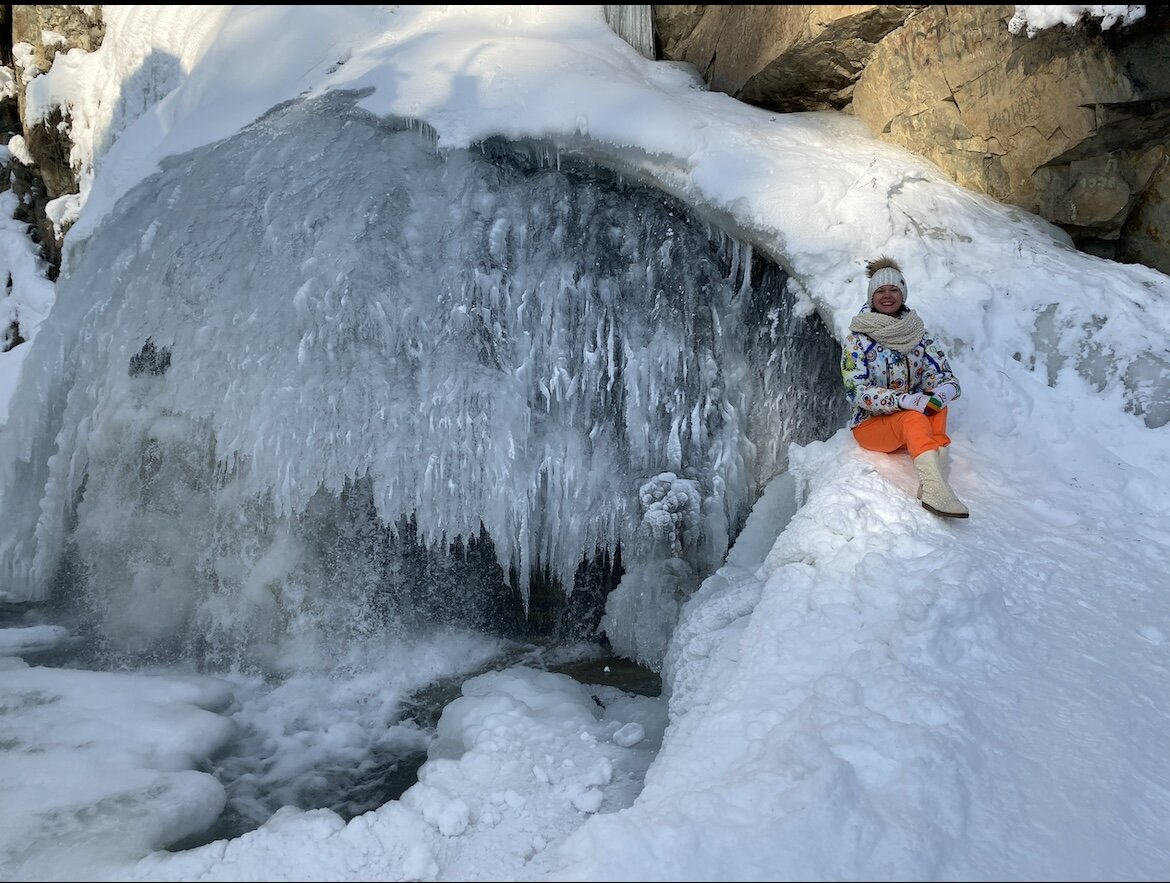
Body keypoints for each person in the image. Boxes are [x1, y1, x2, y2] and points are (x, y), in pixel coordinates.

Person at [841, 256, 969, 518]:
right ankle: (936, 489)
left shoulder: (918, 334)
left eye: (894, 290)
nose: (887, 296)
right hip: (871, 426)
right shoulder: (858, 340)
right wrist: (903, 401)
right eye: (880, 290)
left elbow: (945, 377)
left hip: (909, 426)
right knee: (913, 417)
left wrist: (942, 392)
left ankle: (933, 482)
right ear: (871, 296)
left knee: (937, 407)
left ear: (903, 294)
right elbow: (857, 391)